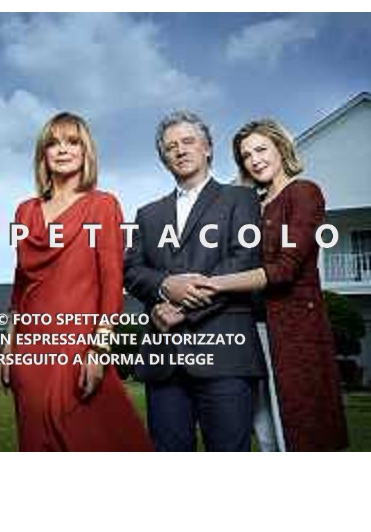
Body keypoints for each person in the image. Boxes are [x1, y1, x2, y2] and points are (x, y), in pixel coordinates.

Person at [0, 112, 153, 451]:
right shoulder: (25, 211)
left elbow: (112, 282)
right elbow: (20, 285)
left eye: (73, 142)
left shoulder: (103, 205)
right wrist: (8, 345)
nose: (63, 150)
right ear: (42, 155)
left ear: (86, 152)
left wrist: (99, 347)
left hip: (79, 344)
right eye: (53, 143)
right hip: (30, 349)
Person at [123, 110, 266, 451]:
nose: (180, 150)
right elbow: (132, 270)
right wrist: (162, 291)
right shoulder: (147, 214)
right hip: (165, 362)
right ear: (164, 159)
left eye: (188, 141)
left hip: (225, 357)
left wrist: (182, 306)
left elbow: (243, 259)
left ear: (208, 148)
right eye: (170, 147)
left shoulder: (241, 199)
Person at [204, 118, 348, 451]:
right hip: (252, 328)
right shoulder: (249, 205)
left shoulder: (304, 192)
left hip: (296, 330)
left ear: (280, 148)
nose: (254, 160)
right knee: (264, 428)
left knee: (301, 429)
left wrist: (214, 284)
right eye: (245, 155)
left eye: (260, 149)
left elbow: (284, 269)